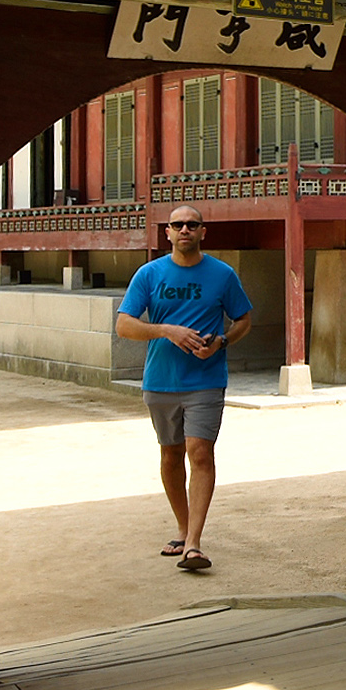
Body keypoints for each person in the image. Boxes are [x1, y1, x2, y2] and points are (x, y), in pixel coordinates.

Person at [115, 213, 251, 575]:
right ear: (168, 233)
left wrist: (222, 341)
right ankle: (182, 527)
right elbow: (124, 325)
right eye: (178, 225)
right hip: (161, 380)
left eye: (192, 224)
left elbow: (243, 320)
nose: (185, 230)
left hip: (206, 379)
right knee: (171, 454)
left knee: (200, 452)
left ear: (203, 231)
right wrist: (166, 331)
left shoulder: (222, 274)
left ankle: (193, 543)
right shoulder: (149, 274)